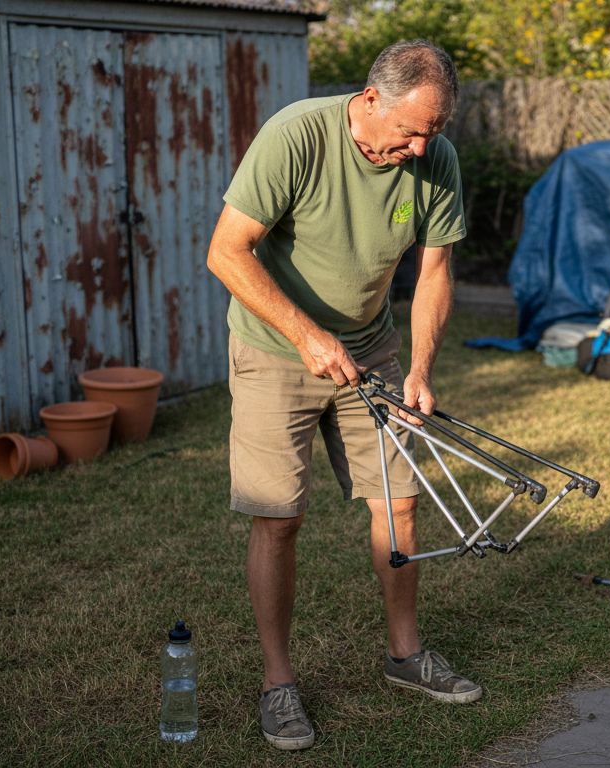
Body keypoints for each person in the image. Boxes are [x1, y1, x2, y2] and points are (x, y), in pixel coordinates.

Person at [205, 40, 479, 751]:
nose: (420, 148)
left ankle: (405, 654)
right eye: (410, 131)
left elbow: (435, 273)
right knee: (279, 517)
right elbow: (226, 251)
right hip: (276, 348)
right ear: (369, 99)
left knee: (400, 500)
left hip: (373, 349)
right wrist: (305, 335)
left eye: (435, 131)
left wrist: (419, 369)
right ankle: (277, 682)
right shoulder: (296, 135)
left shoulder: (434, 161)